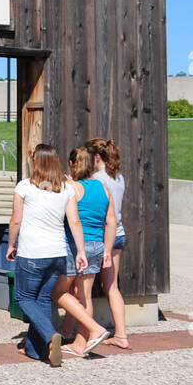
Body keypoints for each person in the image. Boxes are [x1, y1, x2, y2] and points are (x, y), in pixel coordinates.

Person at [6, 144, 109, 366]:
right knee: (42, 298)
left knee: (23, 298)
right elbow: (74, 221)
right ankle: (40, 350)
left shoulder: (24, 186)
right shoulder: (66, 188)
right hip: (58, 254)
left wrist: (10, 244)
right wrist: (80, 251)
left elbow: (16, 219)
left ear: (36, 162)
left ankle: (51, 334)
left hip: (32, 253)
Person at [61, 146, 118, 357]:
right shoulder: (103, 187)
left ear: (71, 164)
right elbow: (111, 221)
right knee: (84, 295)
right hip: (97, 245)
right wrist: (107, 251)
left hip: (75, 246)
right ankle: (80, 341)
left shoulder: (72, 188)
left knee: (59, 291)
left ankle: (93, 329)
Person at [87, 137, 130, 349]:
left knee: (83, 287)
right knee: (112, 286)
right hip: (119, 234)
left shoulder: (96, 179)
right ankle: (121, 334)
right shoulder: (118, 177)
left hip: (102, 236)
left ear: (96, 157)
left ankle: (85, 333)